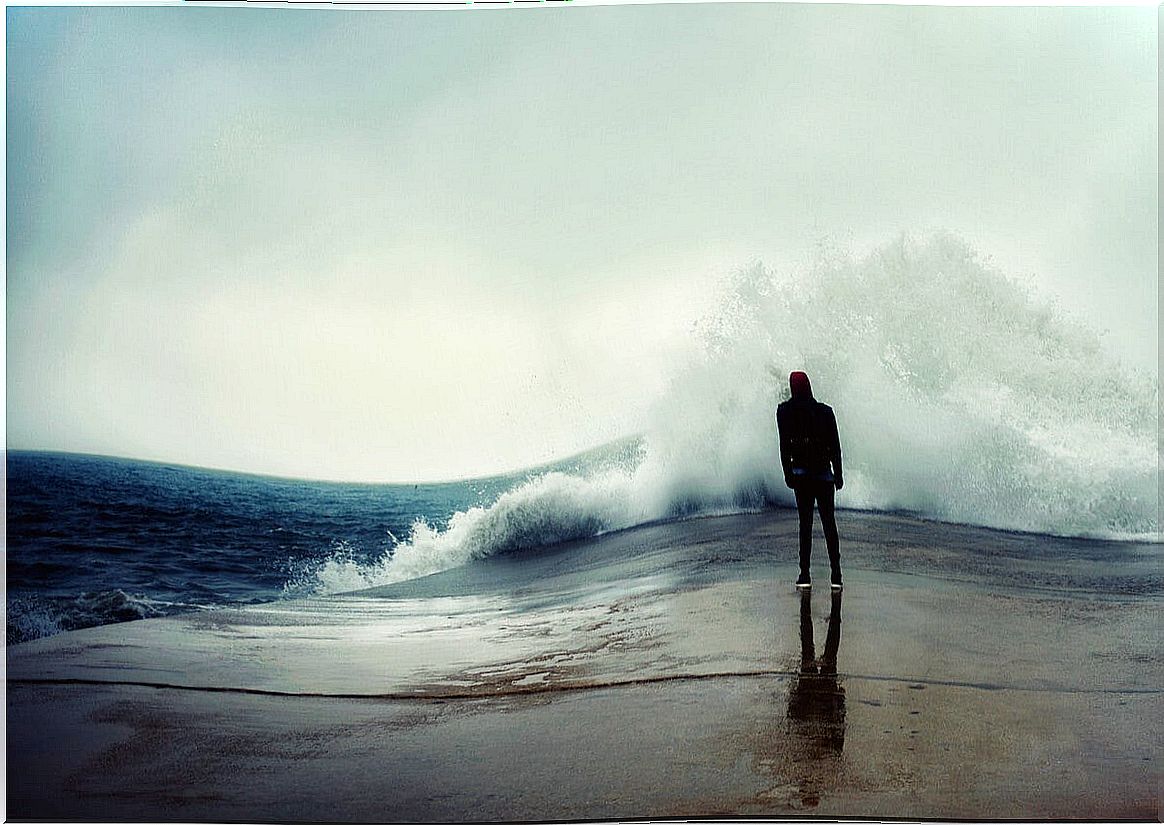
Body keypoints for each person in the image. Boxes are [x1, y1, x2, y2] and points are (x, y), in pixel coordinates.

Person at [776, 371, 843, 589]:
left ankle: (804, 574)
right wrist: (838, 475)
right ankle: (836, 574)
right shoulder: (825, 412)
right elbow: (835, 446)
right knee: (829, 524)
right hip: (824, 476)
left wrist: (788, 473)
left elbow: (784, 446)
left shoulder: (785, 412)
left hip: (802, 476)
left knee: (805, 525)